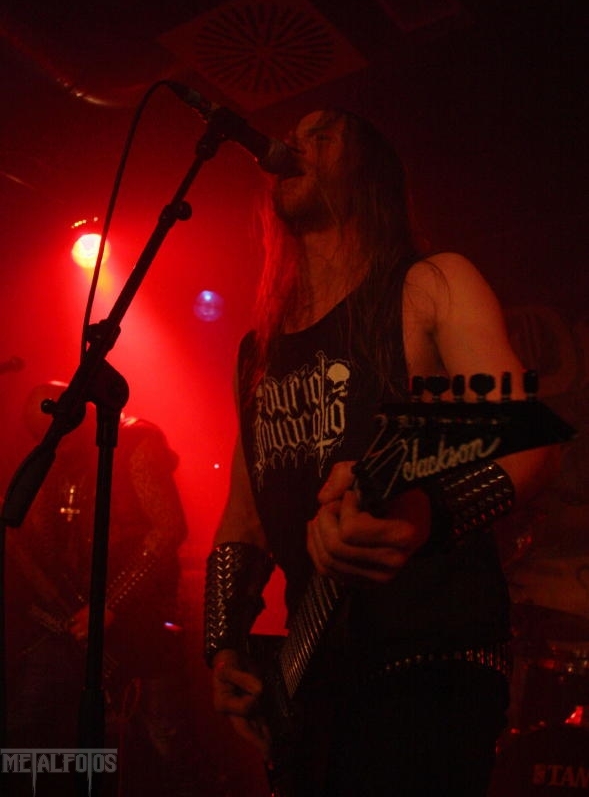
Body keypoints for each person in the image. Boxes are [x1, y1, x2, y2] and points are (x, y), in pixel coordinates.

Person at [204, 108, 559, 796]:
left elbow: (530, 438)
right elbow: (243, 520)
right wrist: (224, 646)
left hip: (431, 657)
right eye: (292, 138)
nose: (293, 147)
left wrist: (426, 510)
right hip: (313, 671)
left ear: (369, 170)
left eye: (322, 137)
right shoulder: (258, 351)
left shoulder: (431, 284)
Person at [5, 381, 195, 796]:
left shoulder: (135, 442)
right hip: (72, 625)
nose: (52, 443)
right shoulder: (54, 455)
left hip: (143, 625)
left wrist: (111, 604)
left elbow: (168, 528)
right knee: (25, 730)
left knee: (163, 746)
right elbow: (29, 537)